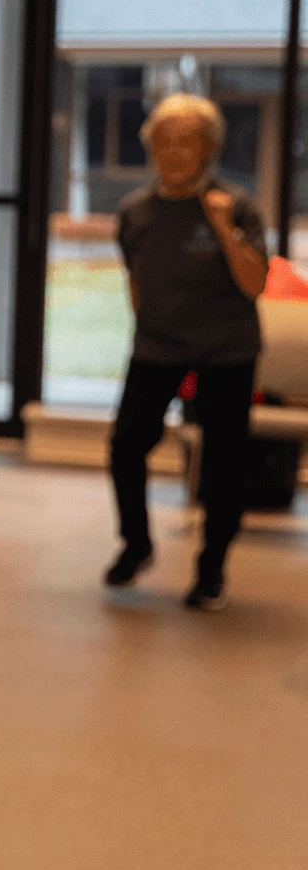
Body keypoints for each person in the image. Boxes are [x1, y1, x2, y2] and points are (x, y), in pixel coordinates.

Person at [106, 93, 265, 612]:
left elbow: (255, 283)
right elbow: (136, 278)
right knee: (126, 445)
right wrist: (149, 324)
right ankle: (137, 545)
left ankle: (211, 567)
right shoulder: (135, 211)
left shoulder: (237, 204)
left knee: (222, 461)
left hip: (226, 350)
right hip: (157, 346)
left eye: (186, 142)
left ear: (208, 149)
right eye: (163, 141)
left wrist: (223, 229)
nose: (173, 151)